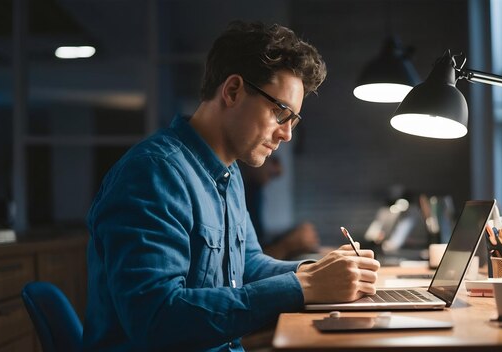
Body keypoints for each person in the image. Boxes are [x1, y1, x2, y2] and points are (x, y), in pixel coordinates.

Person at [84, 20, 379, 351]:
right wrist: (303, 286)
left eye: (293, 121)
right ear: (233, 91)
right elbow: (155, 320)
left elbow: (248, 265)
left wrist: (319, 272)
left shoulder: (228, 173)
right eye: (281, 113)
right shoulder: (153, 174)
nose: (287, 134)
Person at [239, 156, 320, 260]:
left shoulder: (255, 192)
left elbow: (258, 242)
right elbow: (248, 264)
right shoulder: (239, 193)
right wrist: (287, 244)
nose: (279, 170)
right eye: (272, 161)